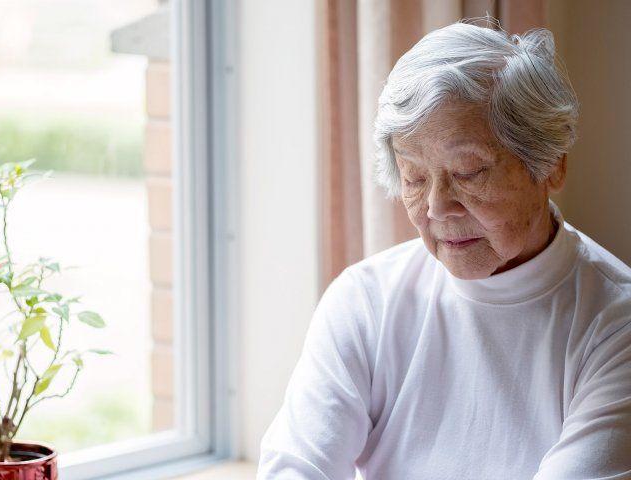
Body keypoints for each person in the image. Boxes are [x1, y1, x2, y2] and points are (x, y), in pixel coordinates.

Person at [257, 20, 631, 479]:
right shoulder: (365, 300)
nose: (437, 207)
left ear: (550, 165)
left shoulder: (616, 324)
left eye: (469, 172)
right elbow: (296, 466)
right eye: (414, 177)